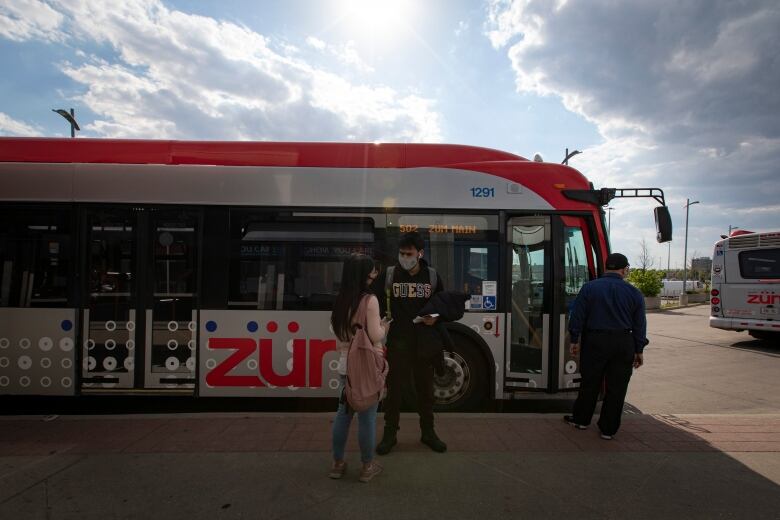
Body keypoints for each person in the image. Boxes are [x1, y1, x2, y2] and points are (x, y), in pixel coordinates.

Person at [372, 231, 447, 454]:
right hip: (398, 342)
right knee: (394, 391)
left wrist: (435, 317)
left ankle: (428, 433)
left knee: (426, 391)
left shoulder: (432, 277)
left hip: (424, 344)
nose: (404, 257)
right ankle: (390, 434)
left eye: (409, 253)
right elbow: (372, 301)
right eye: (401, 253)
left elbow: (442, 305)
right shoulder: (390, 275)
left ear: (420, 253)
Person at [563, 252, 648, 440]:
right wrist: (639, 349)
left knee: (590, 383)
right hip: (623, 342)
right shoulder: (634, 293)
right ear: (624, 270)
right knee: (617, 388)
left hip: (595, 341)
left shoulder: (589, 288)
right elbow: (640, 324)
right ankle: (608, 430)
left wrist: (575, 340)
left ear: (606, 267)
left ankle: (581, 420)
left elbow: (577, 316)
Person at [329, 254, 390, 482]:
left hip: (346, 366)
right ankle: (366, 467)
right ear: (364, 274)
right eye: (371, 271)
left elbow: (336, 330)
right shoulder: (370, 300)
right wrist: (384, 327)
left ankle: (337, 464)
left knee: (343, 414)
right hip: (365, 366)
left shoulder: (340, 299)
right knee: (367, 418)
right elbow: (375, 335)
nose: (374, 274)